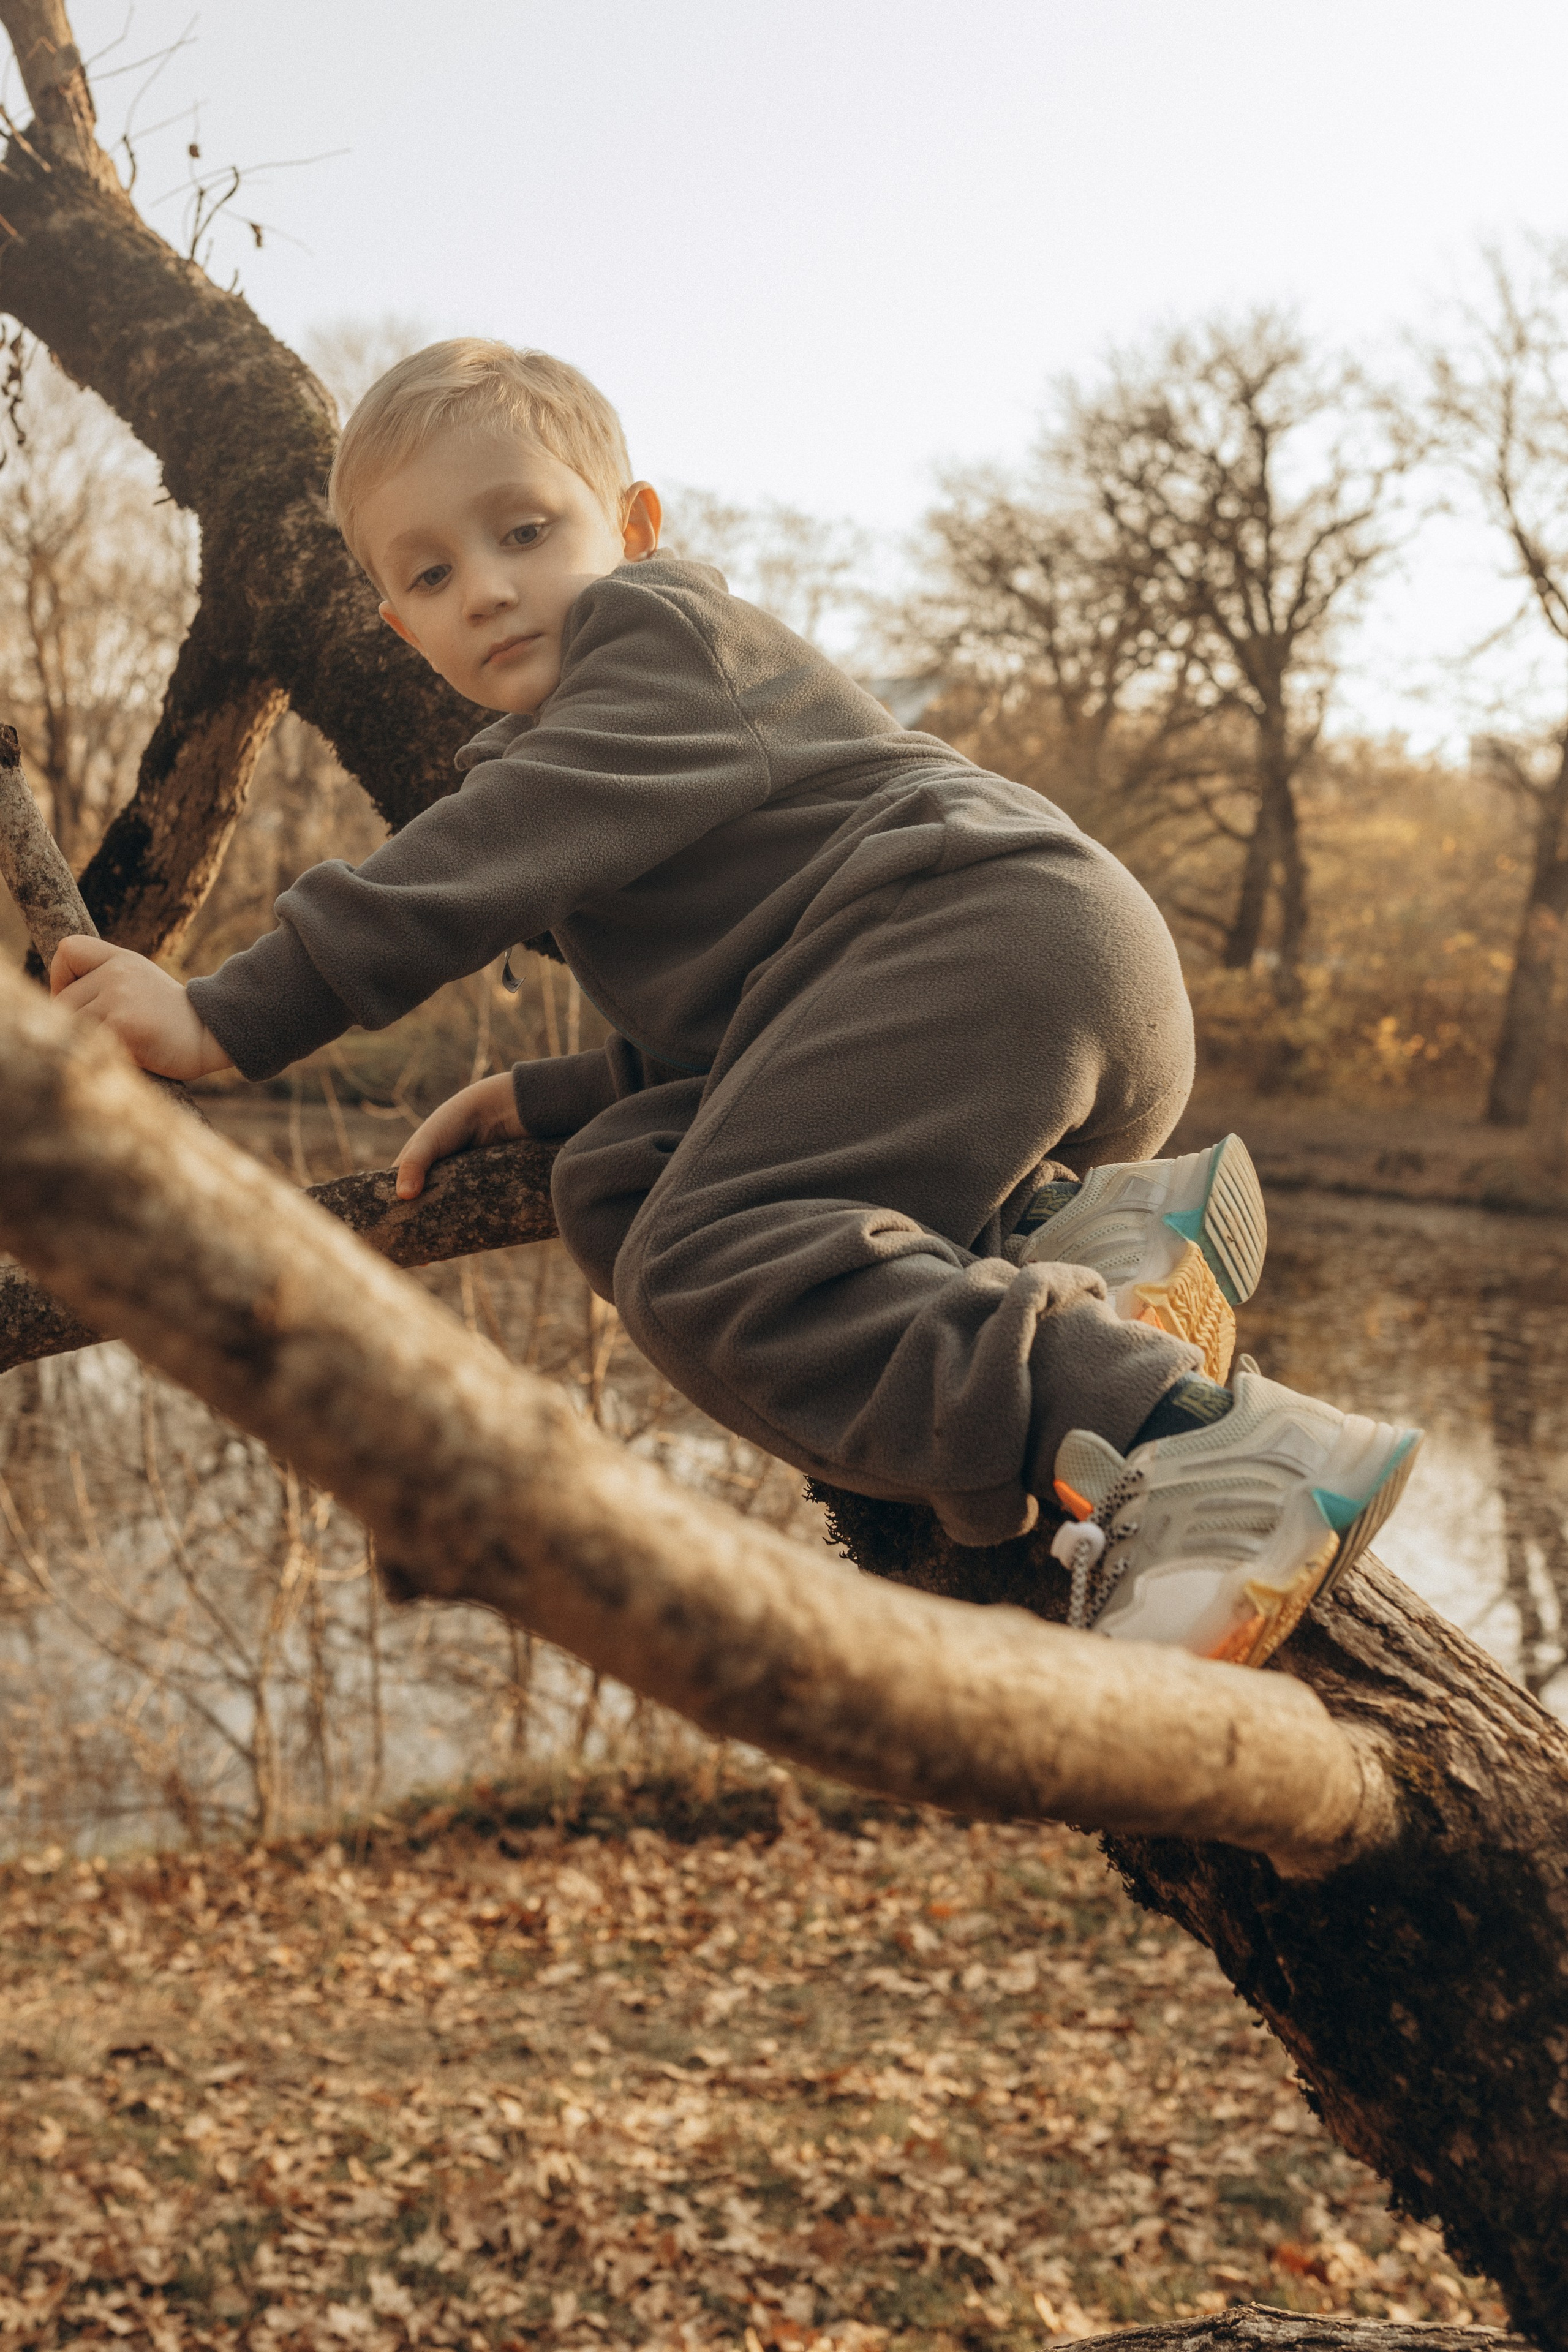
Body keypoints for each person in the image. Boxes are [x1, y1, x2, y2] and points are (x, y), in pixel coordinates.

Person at [50, 341, 1421, 1668]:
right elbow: (757, 1014)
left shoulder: (657, 639)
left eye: (525, 531)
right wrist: (554, 1095)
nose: (487, 589)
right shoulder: (601, 741)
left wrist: (229, 1014)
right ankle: (1067, 1238)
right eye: (432, 572)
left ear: (634, 527)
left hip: (975, 933)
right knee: (624, 1179)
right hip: (1004, 980)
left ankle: (1187, 1445)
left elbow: (474, 857)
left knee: (703, 1256)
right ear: (401, 626)